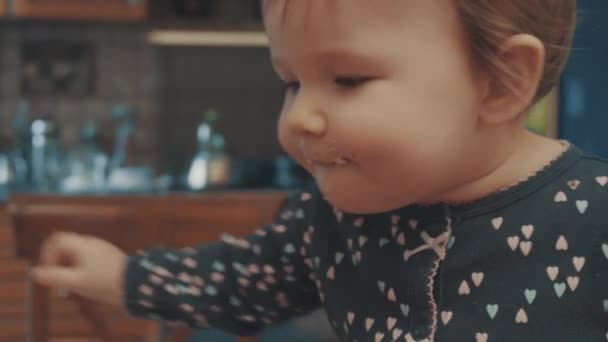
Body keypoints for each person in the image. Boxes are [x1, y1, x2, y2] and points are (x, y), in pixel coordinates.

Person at [34, 1, 607, 341]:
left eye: (348, 80)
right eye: (291, 82)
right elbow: (242, 278)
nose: (299, 117)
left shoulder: (596, 215)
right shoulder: (327, 220)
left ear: (501, 84)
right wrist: (122, 276)